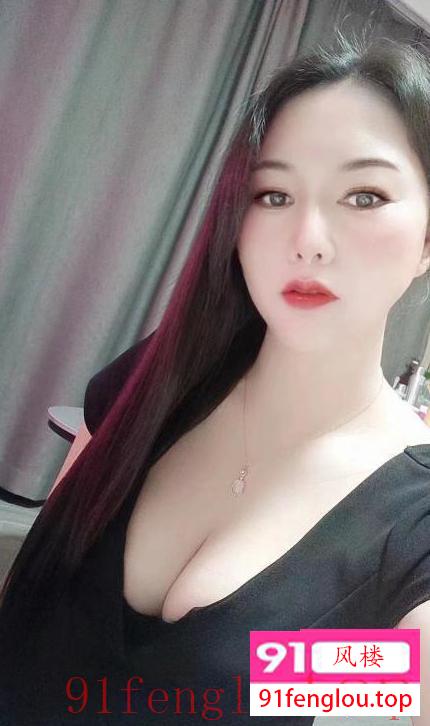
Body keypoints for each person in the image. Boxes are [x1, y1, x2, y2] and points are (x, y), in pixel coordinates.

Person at [2, 30, 430, 726]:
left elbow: (379, 686)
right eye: (273, 195)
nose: (308, 239)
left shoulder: (410, 527)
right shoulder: (163, 377)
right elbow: (33, 592)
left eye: (364, 195)